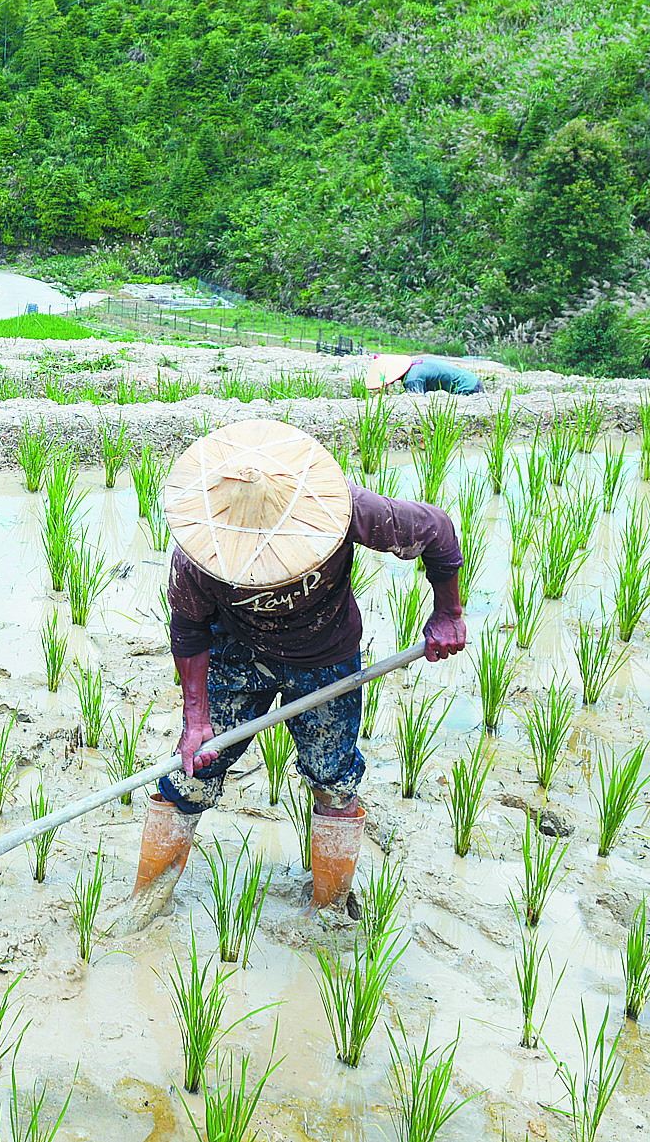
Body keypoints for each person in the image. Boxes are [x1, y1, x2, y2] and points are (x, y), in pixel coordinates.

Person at [128, 418, 466, 923]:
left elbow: (436, 529)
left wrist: (448, 612)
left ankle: (328, 912)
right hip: (236, 653)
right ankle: (147, 903)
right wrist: (195, 718)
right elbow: (189, 630)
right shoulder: (199, 557)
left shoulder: (345, 509)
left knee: (334, 778)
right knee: (195, 770)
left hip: (326, 657)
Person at [365, 353, 484, 395]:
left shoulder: (412, 379)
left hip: (468, 388)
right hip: (471, 379)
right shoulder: (415, 364)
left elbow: (417, 403)